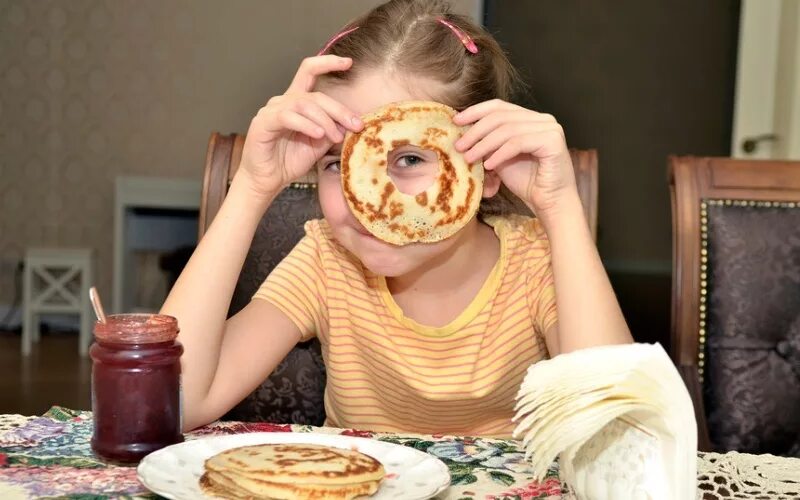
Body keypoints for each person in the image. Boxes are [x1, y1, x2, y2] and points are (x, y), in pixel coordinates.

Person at [162, 0, 632, 436]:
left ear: (486, 168)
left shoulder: (536, 265)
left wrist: (560, 208)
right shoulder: (327, 261)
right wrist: (251, 187)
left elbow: (617, 437)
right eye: (337, 162)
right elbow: (171, 403)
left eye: (409, 159)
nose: (368, 199)